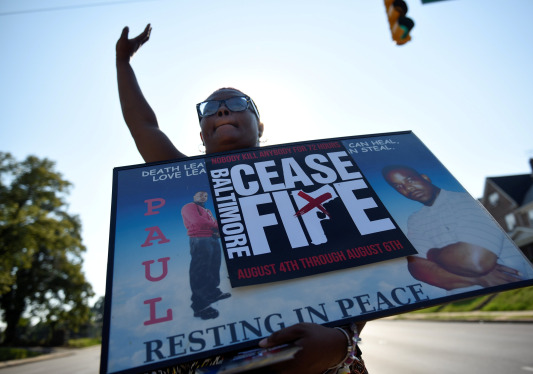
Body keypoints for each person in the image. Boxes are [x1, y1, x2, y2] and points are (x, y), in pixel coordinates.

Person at [116, 24, 367, 374]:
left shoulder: (307, 177)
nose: (221, 111)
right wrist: (122, 62)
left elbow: (359, 263)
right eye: (210, 108)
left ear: (260, 126)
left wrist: (341, 342)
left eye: (236, 103)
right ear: (201, 133)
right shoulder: (181, 180)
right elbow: (144, 126)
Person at [381, 165, 524, 293]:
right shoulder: (415, 220)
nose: (408, 188)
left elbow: (475, 261)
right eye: (399, 187)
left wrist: (433, 254)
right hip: (467, 305)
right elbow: (417, 269)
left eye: (410, 180)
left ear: (425, 178)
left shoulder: (465, 202)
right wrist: (479, 280)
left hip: (518, 287)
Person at [181, 191, 231, 320]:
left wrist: (218, 231)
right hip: (199, 238)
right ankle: (200, 305)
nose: (203, 197)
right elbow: (197, 221)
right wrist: (217, 226)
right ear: (194, 196)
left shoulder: (206, 210)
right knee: (201, 269)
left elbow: (210, 221)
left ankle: (212, 293)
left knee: (214, 266)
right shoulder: (189, 207)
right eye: (200, 195)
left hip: (212, 238)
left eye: (205, 196)